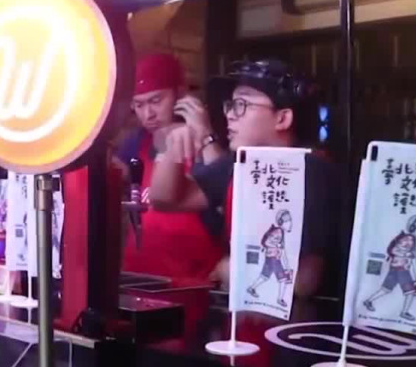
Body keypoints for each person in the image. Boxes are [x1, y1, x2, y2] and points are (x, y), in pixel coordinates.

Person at [149, 58, 344, 300]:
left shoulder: (312, 171)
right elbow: (166, 199)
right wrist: (172, 149)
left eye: (242, 104)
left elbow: (303, 283)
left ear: (282, 119)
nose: (230, 115)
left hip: (297, 320)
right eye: (231, 105)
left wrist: (231, 270)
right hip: (245, 314)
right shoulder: (240, 163)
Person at [114, 52, 225, 281]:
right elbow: (113, 173)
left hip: (192, 284)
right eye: (139, 105)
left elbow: (226, 191)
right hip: (138, 279)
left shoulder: (207, 142)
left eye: (156, 101)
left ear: (181, 95)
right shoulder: (136, 144)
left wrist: (205, 135)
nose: (148, 114)